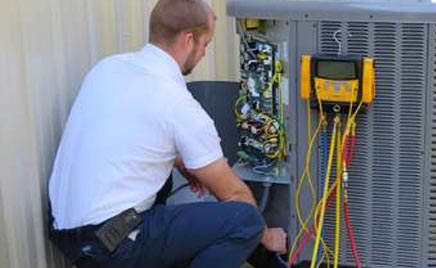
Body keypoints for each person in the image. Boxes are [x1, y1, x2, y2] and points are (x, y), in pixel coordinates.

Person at [48, 0, 287, 267]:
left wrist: (179, 160)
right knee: (246, 221)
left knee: (165, 181)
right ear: (188, 40)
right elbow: (234, 195)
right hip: (112, 247)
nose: (204, 53)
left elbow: (126, 136)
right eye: (205, 44)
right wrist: (266, 236)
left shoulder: (107, 68)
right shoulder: (178, 104)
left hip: (66, 234)